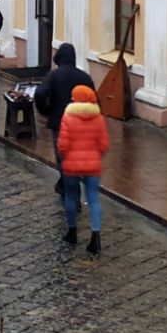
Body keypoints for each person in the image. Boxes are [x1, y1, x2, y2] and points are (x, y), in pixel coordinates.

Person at [34, 43, 96, 204]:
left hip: (60, 124)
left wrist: (46, 110)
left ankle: (70, 195)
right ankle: (66, 189)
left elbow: (40, 93)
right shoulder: (84, 77)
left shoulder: (54, 76)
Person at [57, 85, 109, 256]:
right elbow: (104, 144)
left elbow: (63, 145)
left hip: (72, 165)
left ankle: (72, 232)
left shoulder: (68, 117)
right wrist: (95, 154)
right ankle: (95, 234)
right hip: (92, 165)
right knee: (93, 199)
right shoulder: (98, 118)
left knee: (71, 197)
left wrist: (65, 156)